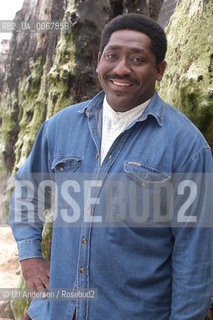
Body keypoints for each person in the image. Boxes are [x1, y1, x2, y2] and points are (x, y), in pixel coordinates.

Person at [9, 13, 213, 320]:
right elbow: (27, 190)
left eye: (137, 59)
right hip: (56, 311)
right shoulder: (60, 127)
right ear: (98, 61)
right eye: (112, 56)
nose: (121, 68)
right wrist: (30, 256)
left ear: (159, 70)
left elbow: (194, 257)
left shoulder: (187, 148)